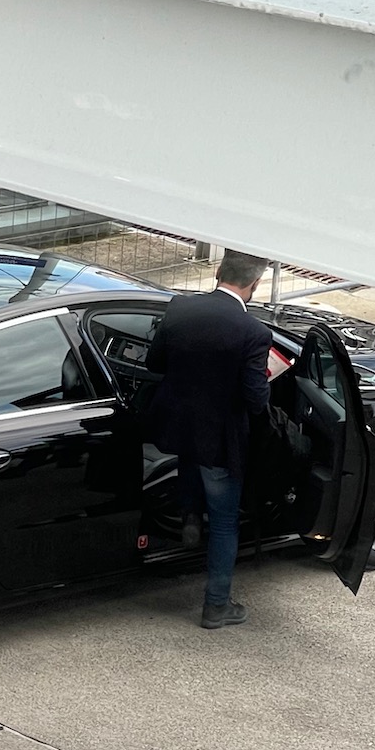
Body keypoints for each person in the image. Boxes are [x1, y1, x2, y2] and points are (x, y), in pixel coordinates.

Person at [147, 251, 275, 629]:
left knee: (191, 466)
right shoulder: (254, 333)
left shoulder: (179, 308)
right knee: (224, 521)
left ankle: (189, 516)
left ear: (218, 272)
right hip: (219, 441)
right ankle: (216, 605)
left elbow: (156, 363)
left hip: (176, 429)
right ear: (254, 285)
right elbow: (255, 399)